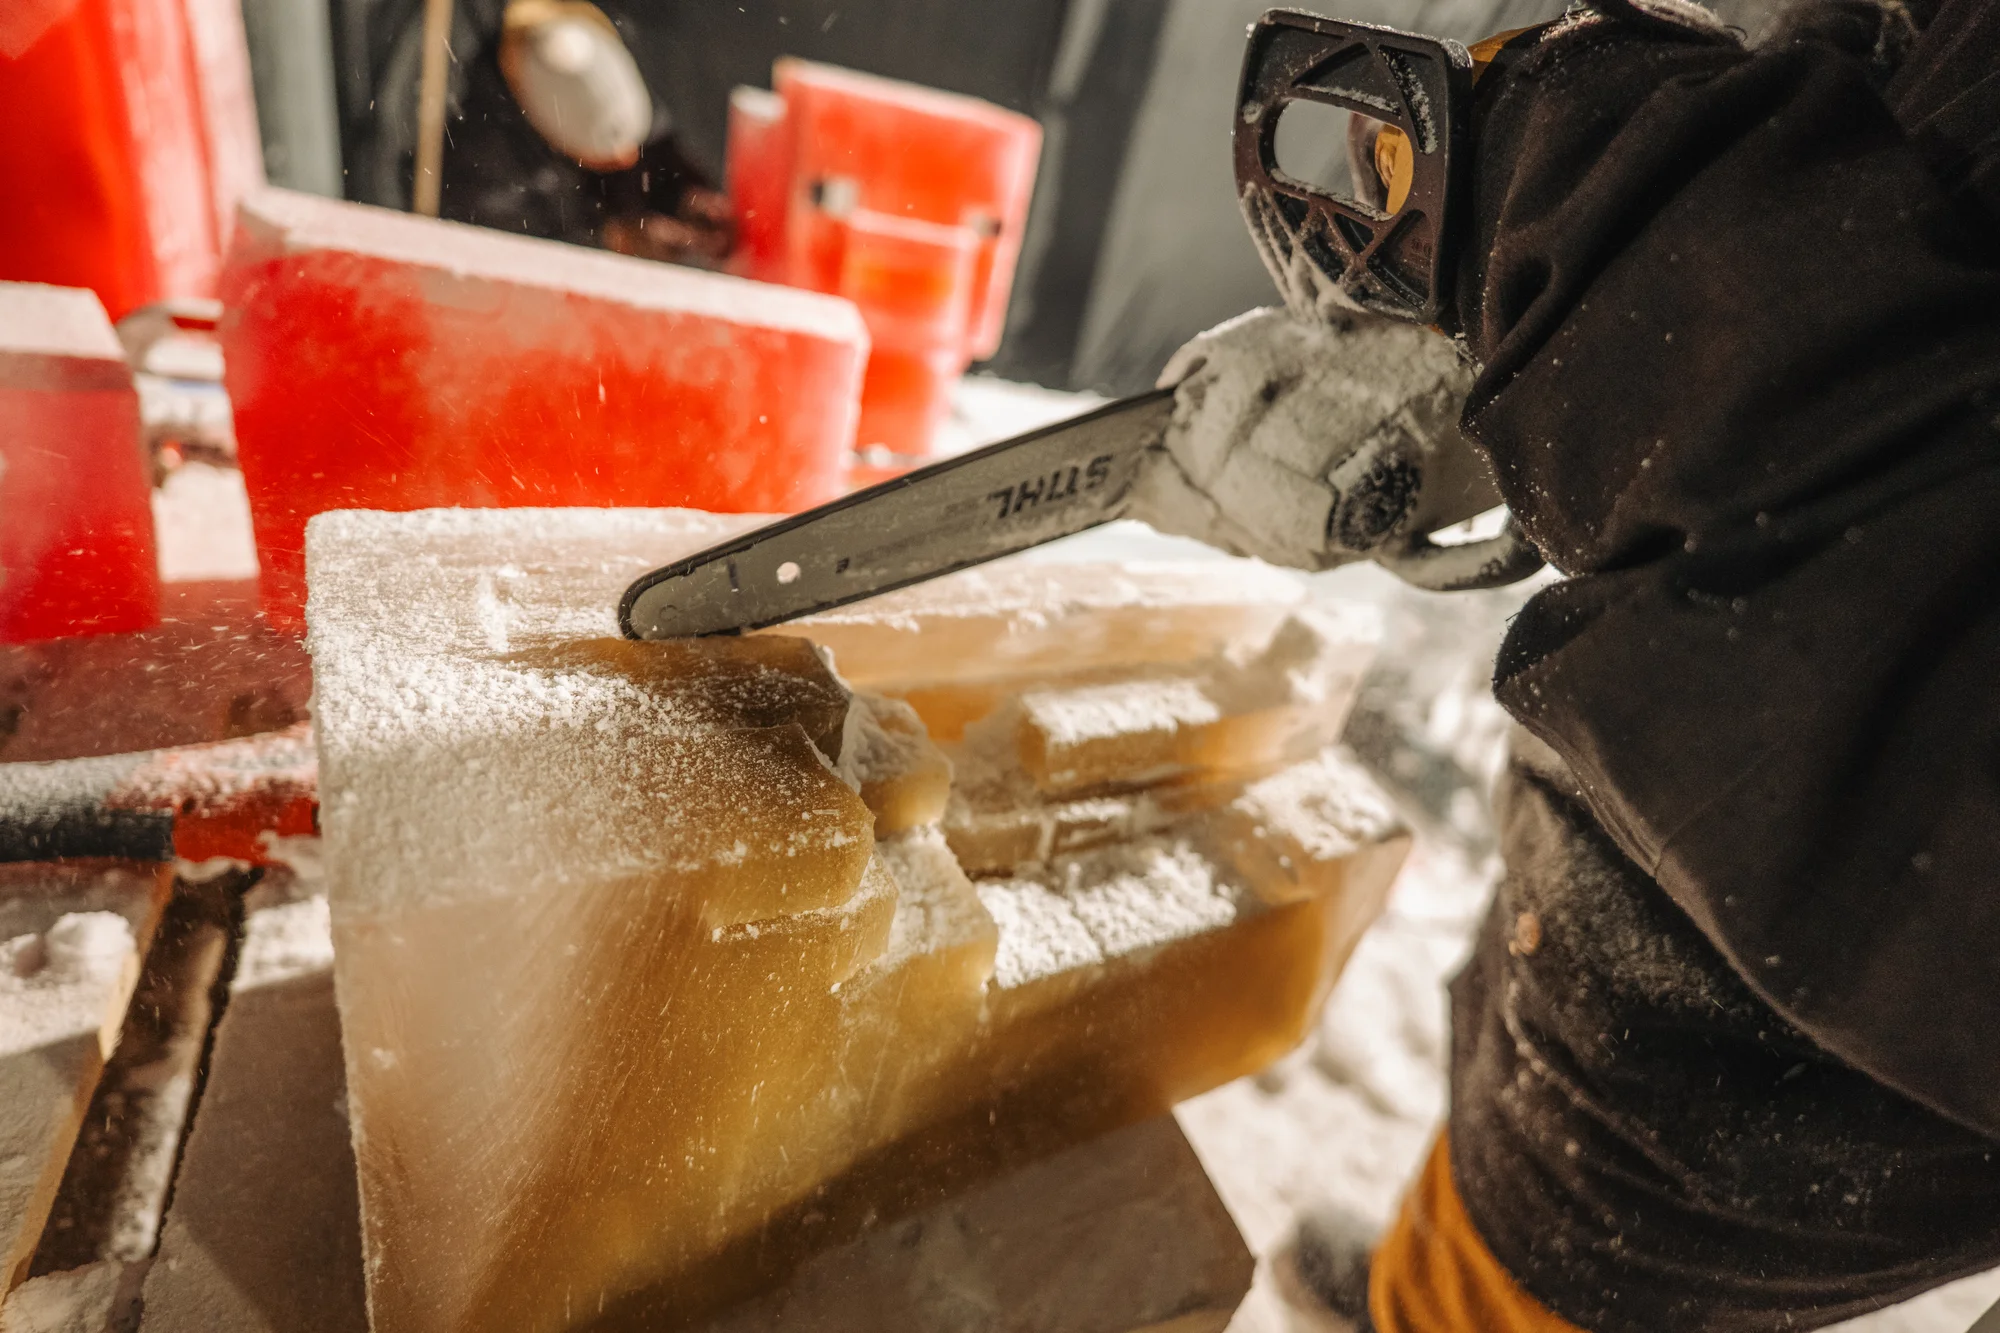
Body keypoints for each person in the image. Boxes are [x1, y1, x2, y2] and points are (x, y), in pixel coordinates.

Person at [1149, 0, 2000, 1327]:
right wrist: (1532, 346)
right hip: (1670, 974)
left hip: (1767, 1053)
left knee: (1559, 1240)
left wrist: (1572, 184)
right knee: (1528, 1157)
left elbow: (1917, 672)